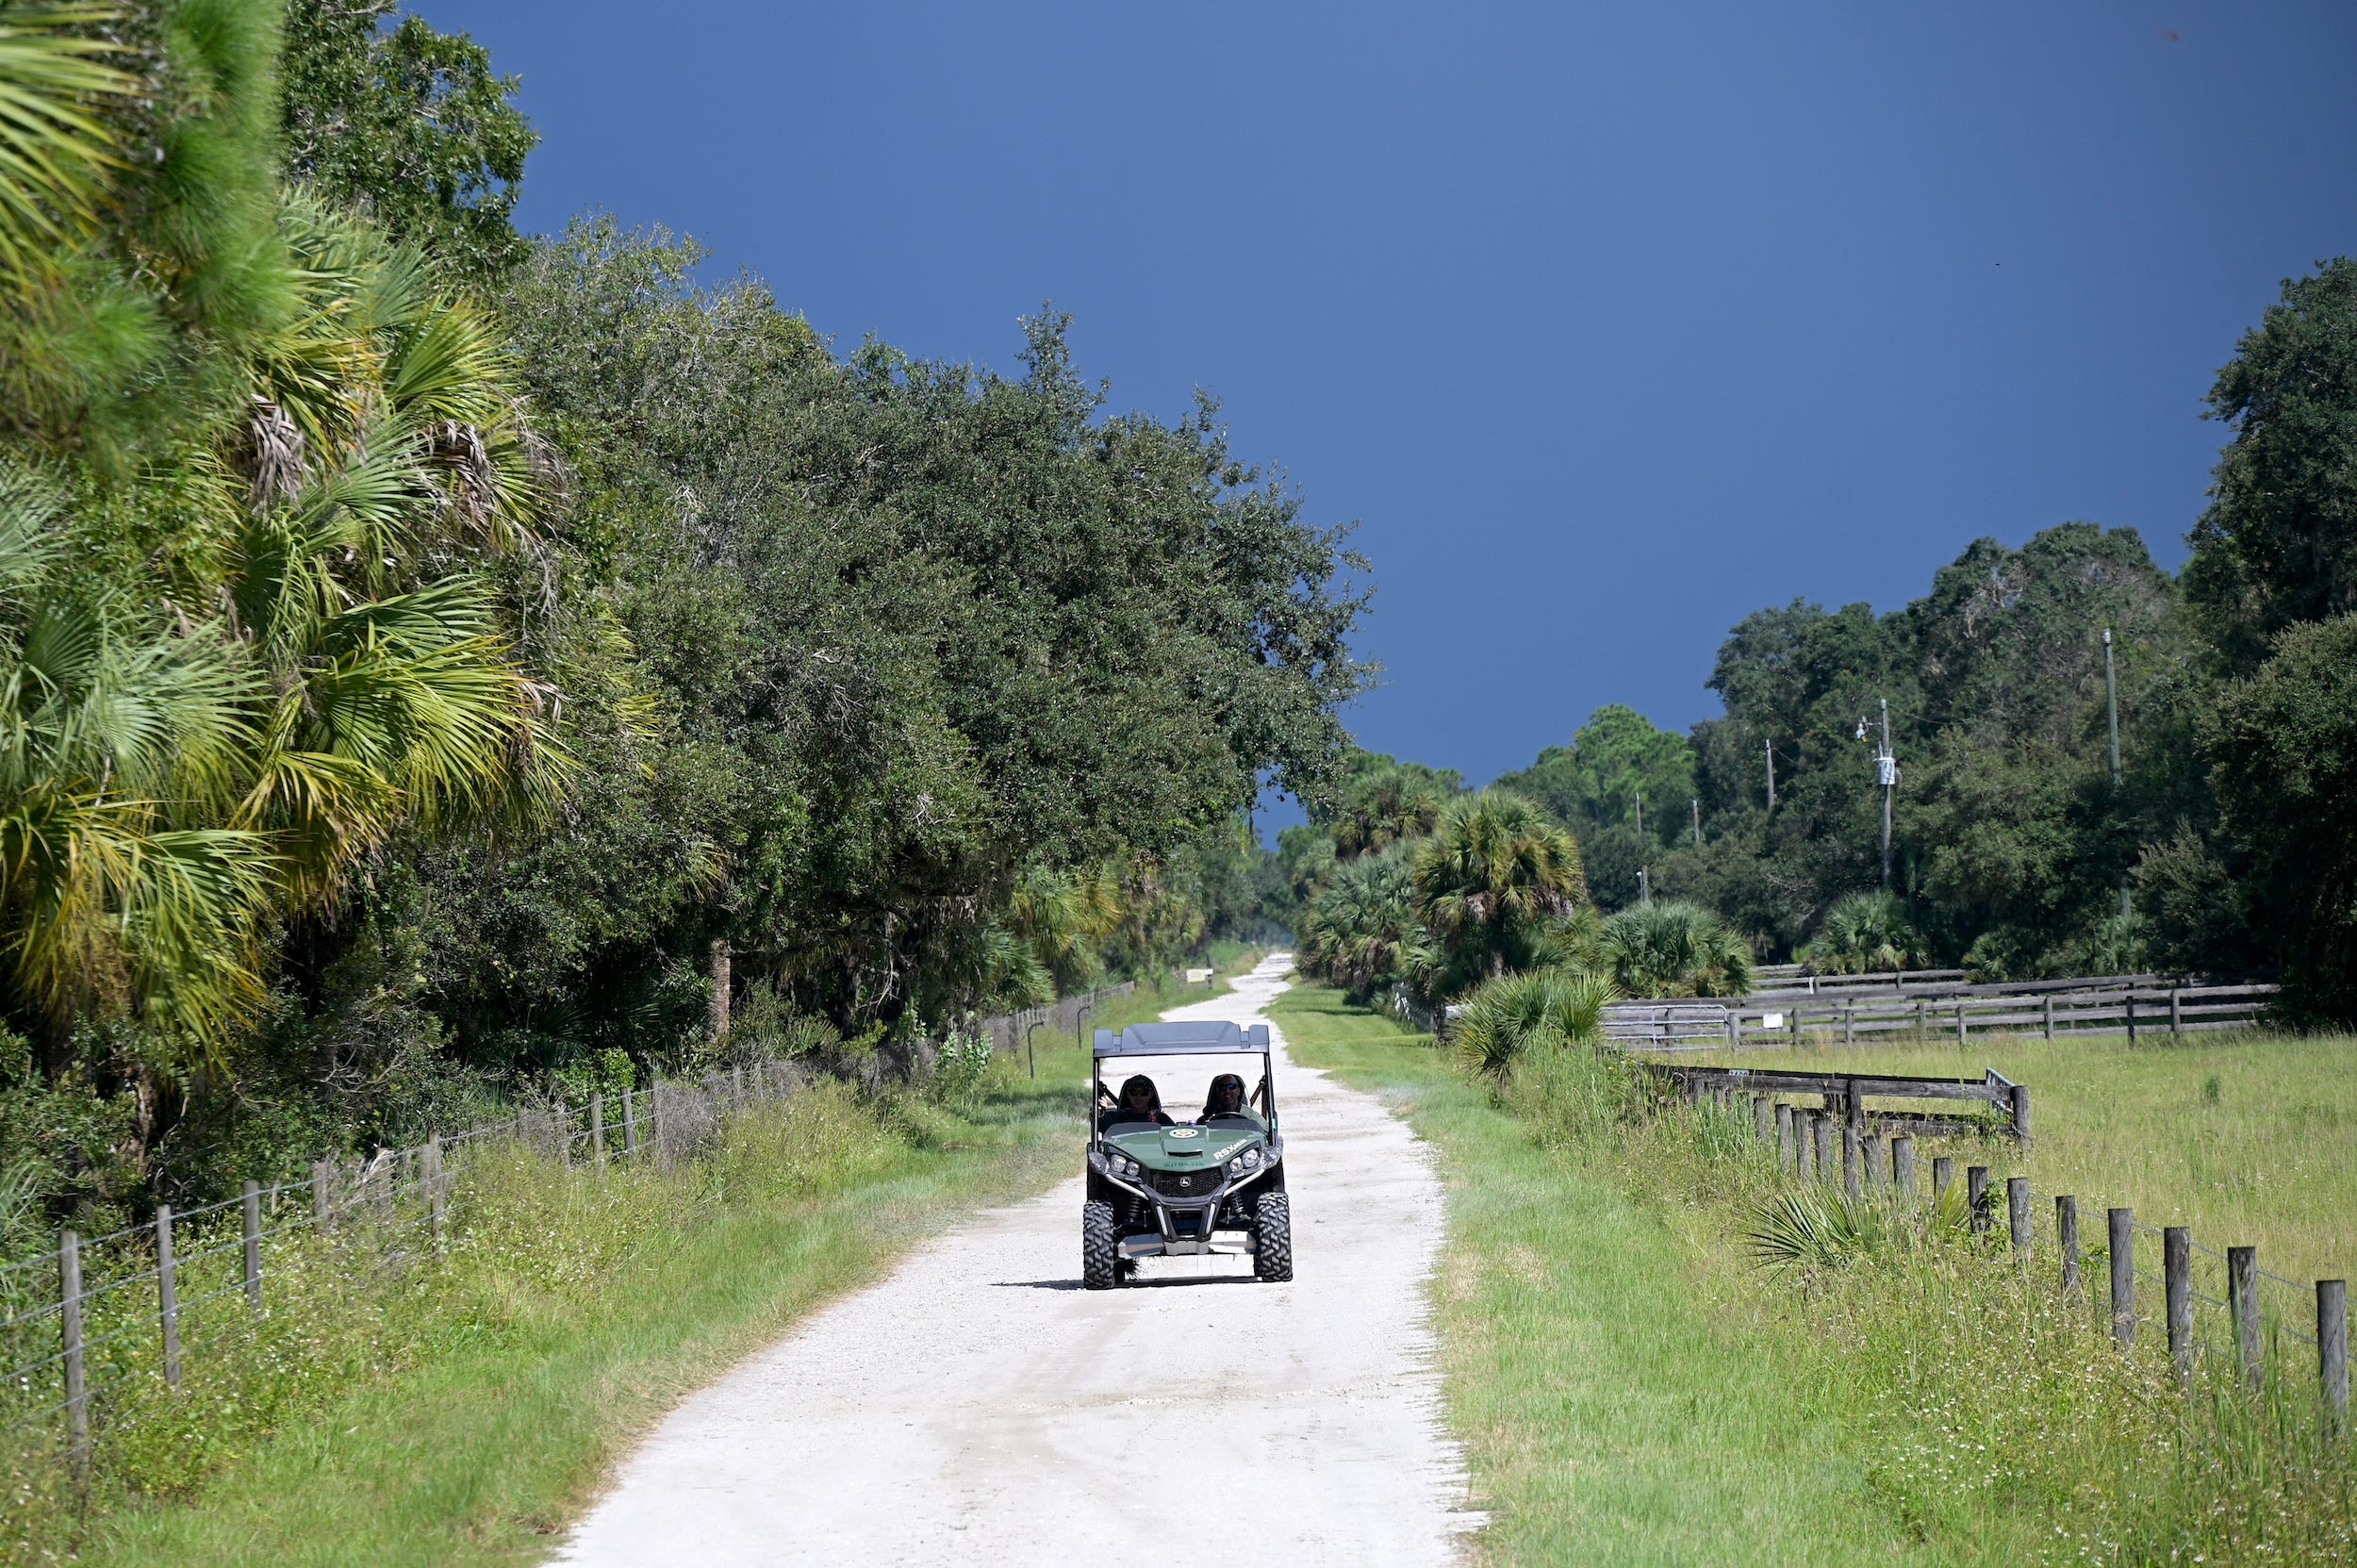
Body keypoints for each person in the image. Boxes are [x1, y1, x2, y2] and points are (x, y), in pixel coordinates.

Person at [1102, 1074, 1172, 1130]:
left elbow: (1173, 1135)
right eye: (1134, 1092)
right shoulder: (1119, 1117)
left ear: (1150, 1094)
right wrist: (1098, 1112)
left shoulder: (1160, 1118)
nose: (1138, 1097)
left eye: (1144, 1093)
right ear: (1128, 1094)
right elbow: (1100, 1122)